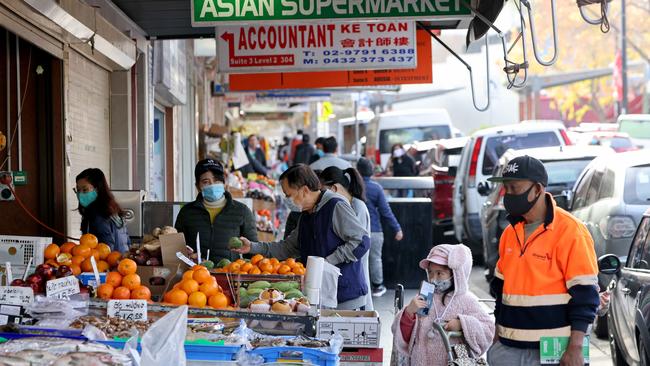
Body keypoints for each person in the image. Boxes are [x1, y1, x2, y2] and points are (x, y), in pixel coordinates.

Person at [486, 155, 599, 366]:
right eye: (506, 189)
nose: (508, 195)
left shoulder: (571, 232)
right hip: (508, 350)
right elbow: (500, 291)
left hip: (555, 352)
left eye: (515, 188)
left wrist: (575, 348)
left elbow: (585, 296)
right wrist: (496, 339)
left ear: (537, 189)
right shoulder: (509, 234)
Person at [232, 164, 370, 310]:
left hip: (345, 296)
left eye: (288, 195)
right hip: (321, 295)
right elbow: (287, 248)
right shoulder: (306, 215)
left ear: (304, 190)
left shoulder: (335, 206)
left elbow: (361, 241)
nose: (286, 199)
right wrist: (252, 247)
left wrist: (327, 262)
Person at [392, 244, 495, 366]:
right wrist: (408, 313)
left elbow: (488, 331)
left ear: (456, 274)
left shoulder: (467, 301)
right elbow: (402, 334)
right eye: (430, 272)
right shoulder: (424, 296)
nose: (433, 279)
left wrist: (463, 324)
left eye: (439, 273)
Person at [175, 159, 258, 262]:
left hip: (230, 274)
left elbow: (253, 251)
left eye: (216, 180)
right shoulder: (187, 213)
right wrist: (187, 254)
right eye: (206, 182)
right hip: (196, 275)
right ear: (197, 186)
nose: (212, 185)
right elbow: (177, 249)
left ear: (224, 183)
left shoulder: (242, 212)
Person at [318, 166, 373, 310]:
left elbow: (359, 244)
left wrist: (329, 260)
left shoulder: (357, 207)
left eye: (323, 191)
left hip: (353, 275)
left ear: (334, 188)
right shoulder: (344, 204)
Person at [356, 158, 403, 297]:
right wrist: (397, 228)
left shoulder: (352, 187)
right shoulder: (376, 188)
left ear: (357, 171)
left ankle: (360, 286)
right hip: (374, 230)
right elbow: (385, 211)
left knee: (357, 260)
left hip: (356, 231)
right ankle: (377, 287)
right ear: (371, 171)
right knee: (375, 259)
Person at [75, 168, 130, 253]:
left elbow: (105, 248)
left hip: (108, 263)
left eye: (85, 190)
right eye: (78, 190)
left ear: (97, 189)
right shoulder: (111, 209)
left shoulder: (98, 214)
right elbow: (127, 242)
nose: (80, 194)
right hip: (122, 261)